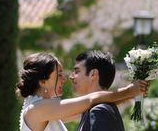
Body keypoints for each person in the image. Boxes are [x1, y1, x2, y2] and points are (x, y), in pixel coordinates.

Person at [17, 52, 147, 131]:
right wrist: (129, 90)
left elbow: (89, 105)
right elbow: (91, 100)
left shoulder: (44, 109)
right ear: (43, 81)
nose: (65, 79)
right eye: (59, 74)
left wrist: (131, 94)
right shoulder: (38, 108)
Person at [70, 50, 125, 131]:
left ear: (93, 74)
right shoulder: (93, 110)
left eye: (77, 71)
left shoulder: (100, 111)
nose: (71, 76)